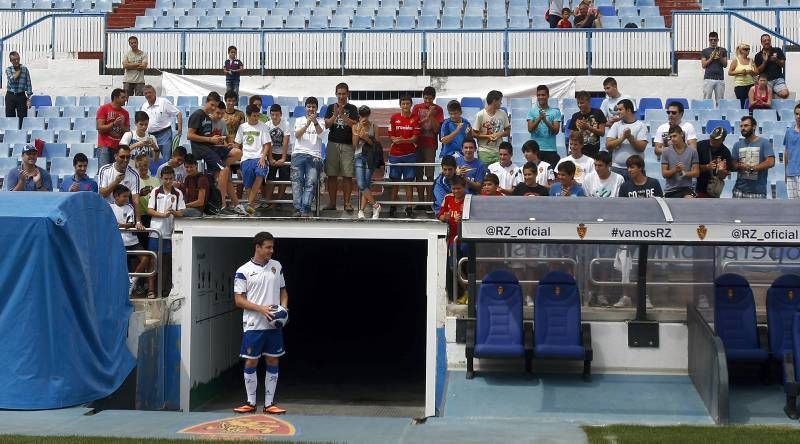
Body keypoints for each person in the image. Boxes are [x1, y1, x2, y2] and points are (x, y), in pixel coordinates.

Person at [233, 232, 289, 415]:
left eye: (272, 247)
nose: (271, 251)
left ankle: (269, 403)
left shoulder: (277, 266)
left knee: (273, 360)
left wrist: (284, 311)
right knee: (251, 362)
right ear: (257, 247)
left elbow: (283, 292)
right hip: (253, 325)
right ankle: (250, 402)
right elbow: (239, 300)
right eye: (268, 247)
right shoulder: (243, 271)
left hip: (273, 326)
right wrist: (261, 309)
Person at [187, 92, 241, 215]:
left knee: (232, 159)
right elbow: (189, 135)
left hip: (210, 147)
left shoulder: (207, 116)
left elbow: (207, 136)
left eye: (215, 106)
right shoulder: (198, 115)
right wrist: (210, 140)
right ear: (207, 102)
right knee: (224, 170)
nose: (212, 108)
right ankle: (221, 205)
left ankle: (232, 204)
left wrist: (219, 141)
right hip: (201, 149)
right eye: (212, 105)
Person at [146, 165, 184, 298]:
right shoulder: (155, 191)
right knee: (153, 261)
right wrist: (163, 215)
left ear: (174, 178)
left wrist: (174, 212)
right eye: (166, 179)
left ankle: (164, 289)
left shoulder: (178, 193)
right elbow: (149, 210)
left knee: (167, 263)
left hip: (169, 232)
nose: (168, 181)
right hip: (156, 232)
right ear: (161, 178)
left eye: (170, 179)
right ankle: (151, 290)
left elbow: (182, 212)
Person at [324, 82, 359, 212]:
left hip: (348, 145)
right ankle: (332, 203)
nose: (341, 96)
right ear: (335, 94)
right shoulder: (330, 107)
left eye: (344, 94)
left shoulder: (353, 108)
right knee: (331, 175)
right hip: (332, 144)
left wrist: (343, 115)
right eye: (339, 94)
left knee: (347, 176)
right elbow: (326, 125)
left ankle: (347, 203)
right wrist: (335, 114)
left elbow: (355, 125)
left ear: (348, 94)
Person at [110, 184, 150, 296]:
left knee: (146, 258)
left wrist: (120, 225)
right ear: (116, 196)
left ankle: (133, 280)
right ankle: (122, 288)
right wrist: (121, 225)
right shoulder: (109, 207)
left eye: (128, 196)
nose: (127, 199)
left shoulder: (130, 207)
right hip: (118, 242)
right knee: (120, 265)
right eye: (124, 196)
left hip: (132, 241)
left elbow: (130, 224)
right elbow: (110, 224)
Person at [98, 145, 145, 237]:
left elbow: (136, 200)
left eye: (128, 157)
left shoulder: (134, 174)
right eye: (122, 157)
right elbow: (102, 194)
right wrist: (116, 182)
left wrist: (138, 221)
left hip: (124, 215)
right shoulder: (105, 170)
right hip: (107, 214)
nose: (125, 159)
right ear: (115, 156)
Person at [411, 87, 444, 213]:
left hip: (430, 144)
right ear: (422, 97)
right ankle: (420, 202)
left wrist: (432, 116)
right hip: (417, 144)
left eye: (430, 99)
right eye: (425, 98)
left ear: (434, 98)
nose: (428, 101)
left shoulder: (438, 110)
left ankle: (429, 202)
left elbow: (436, 129)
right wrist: (426, 116)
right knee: (418, 173)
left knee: (429, 174)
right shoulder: (417, 108)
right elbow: (414, 125)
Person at [388, 94, 421, 218]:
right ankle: (393, 207)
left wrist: (403, 140)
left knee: (409, 182)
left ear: (411, 104)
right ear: (400, 105)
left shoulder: (415, 119)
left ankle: (409, 207)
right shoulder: (394, 118)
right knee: (394, 182)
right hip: (395, 155)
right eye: (403, 104)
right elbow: (390, 134)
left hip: (410, 155)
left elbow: (415, 138)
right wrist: (394, 139)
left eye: (407, 103)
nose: (405, 106)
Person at [291, 97, 325, 217]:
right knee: (297, 182)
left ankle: (305, 209)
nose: (311, 109)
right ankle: (297, 208)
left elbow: (321, 134)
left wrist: (314, 122)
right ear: (305, 108)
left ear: (317, 109)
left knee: (311, 183)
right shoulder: (299, 120)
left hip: (314, 155)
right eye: (309, 106)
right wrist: (307, 124)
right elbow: (297, 135)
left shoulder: (321, 121)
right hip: (298, 154)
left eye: (313, 107)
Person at [235, 104, 271, 215]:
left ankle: (249, 204)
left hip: (259, 157)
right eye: (254, 116)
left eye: (257, 115)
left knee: (260, 173)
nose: (256, 118)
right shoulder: (242, 127)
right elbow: (237, 143)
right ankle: (251, 208)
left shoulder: (263, 126)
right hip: (246, 158)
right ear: (248, 116)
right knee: (248, 182)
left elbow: (267, 144)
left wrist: (263, 157)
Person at [438, 175, 467, 303]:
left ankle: (470, 293)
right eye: (454, 188)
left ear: (464, 188)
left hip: (466, 240)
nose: (456, 191)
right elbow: (439, 215)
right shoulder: (447, 198)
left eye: (459, 188)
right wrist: (445, 217)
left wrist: (464, 219)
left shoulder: (469, 200)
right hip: (452, 241)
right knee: (453, 267)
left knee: (467, 266)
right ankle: (467, 292)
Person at [731, 116, 775, 199]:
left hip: (758, 192)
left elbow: (771, 162)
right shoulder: (737, 145)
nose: (743, 128)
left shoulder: (764, 143)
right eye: (741, 126)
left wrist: (753, 168)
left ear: (754, 126)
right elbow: (733, 164)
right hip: (739, 191)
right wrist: (739, 166)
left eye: (746, 125)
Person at [352, 105, 382, 220]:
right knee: (361, 184)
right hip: (359, 156)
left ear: (369, 115)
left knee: (366, 184)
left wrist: (366, 138)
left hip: (371, 157)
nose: (364, 117)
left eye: (366, 115)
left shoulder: (374, 127)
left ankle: (361, 211)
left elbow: (377, 145)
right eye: (362, 115)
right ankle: (376, 205)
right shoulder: (355, 126)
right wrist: (359, 131)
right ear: (359, 116)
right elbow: (354, 145)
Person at [605, 99, 648, 178]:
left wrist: (630, 138)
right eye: (617, 110)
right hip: (617, 169)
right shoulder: (616, 125)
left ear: (628, 110)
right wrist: (623, 138)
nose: (618, 112)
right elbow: (608, 145)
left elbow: (641, 148)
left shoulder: (641, 125)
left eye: (620, 109)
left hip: (636, 170)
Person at [140, 85, 182, 159]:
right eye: (145, 93)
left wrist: (179, 129)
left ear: (154, 93)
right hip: (150, 136)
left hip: (165, 134)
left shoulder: (164, 102)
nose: (148, 95)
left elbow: (178, 113)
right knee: (152, 159)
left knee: (166, 158)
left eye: (150, 92)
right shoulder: (144, 106)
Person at [263, 104, 291, 209]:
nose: (275, 117)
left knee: (284, 177)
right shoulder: (267, 125)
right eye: (272, 115)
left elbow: (285, 142)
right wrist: (270, 158)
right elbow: (268, 143)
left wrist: (283, 158)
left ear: (281, 114)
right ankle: (268, 200)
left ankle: (278, 201)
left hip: (285, 152)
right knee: (270, 176)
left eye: (277, 115)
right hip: (272, 152)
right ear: (270, 115)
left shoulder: (286, 124)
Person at [526, 84, 562, 166]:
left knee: (550, 177)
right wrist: (539, 118)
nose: (541, 97)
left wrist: (545, 120)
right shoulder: (532, 111)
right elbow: (530, 129)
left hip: (551, 150)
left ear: (548, 96)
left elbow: (556, 131)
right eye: (538, 95)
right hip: (535, 150)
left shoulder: (555, 112)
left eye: (543, 95)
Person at [661, 125, 699, 198]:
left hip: (686, 188)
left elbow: (696, 173)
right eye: (670, 137)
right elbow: (664, 174)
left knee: (689, 199)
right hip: (671, 190)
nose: (672, 139)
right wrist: (675, 170)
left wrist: (685, 173)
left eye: (674, 136)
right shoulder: (666, 151)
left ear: (681, 134)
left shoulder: (692, 151)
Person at [474, 90, 510, 165]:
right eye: (500, 101)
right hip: (484, 151)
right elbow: (474, 134)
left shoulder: (503, 113)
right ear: (494, 101)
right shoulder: (480, 115)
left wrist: (500, 134)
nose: (501, 103)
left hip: (499, 151)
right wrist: (488, 136)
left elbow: (507, 131)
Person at [96, 88, 130, 167]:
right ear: (115, 98)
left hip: (119, 147)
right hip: (105, 146)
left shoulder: (125, 113)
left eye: (125, 97)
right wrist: (114, 124)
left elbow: (128, 132)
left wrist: (121, 126)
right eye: (123, 97)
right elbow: (100, 128)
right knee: (104, 171)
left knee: (117, 172)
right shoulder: (104, 109)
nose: (125, 99)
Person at [696, 127, 732, 198]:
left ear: (723, 140)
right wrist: (706, 167)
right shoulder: (700, 145)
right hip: (698, 189)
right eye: (712, 137)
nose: (712, 140)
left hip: (714, 191)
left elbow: (724, 176)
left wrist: (721, 171)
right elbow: (692, 167)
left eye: (716, 139)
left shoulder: (726, 152)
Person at [568, 90, 606, 158]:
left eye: (582, 103)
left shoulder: (598, 113)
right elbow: (572, 136)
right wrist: (581, 130)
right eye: (578, 103)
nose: (579, 105)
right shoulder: (575, 116)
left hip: (594, 152)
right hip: (579, 152)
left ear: (588, 101)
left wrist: (588, 127)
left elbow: (602, 132)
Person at [754, 34, 789, 99]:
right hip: (765, 81)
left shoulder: (777, 50)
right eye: (764, 41)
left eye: (768, 40)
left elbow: (783, 65)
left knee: (785, 94)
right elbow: (758, 72)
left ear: (770, 41)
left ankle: (771, 90)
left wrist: (776, 60)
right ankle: (770, 90)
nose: (767, 42)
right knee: (765, 96)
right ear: (761, 42)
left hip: (778, 79)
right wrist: (764, 62)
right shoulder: (758, 55)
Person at [4, 51, 32, 129]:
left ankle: (21, 135)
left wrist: (28, 99)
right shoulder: (8, 69)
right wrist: (19, 70)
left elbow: (28, 84)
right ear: (11, 61)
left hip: (21, 96)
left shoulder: (25, 69)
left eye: (18, 59)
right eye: (14, 60)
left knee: (22, 119)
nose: (16, 61)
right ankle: (12, 136)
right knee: (10, 118)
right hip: (10, 96)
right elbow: (12, 80)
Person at [701, 32, 728, 104]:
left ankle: (719, 115)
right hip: (708, 78)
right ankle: (706, 115)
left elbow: (725, 65)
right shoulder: (705, 51)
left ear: (718, 40)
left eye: (715, 40)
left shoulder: (723, 50)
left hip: (720, 79)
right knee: (706, 100)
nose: (713, 41)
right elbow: (703, 65)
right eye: (711, 40)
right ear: (709, 40)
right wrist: (711, 58)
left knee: (720, 101)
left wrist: (720, 57)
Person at [728, 42, 757, 109]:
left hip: (751, 84)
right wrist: (740, 72)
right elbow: (730, 72)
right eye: (745, 49)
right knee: (742, 103)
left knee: (751, 103)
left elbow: (756, 72)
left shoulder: (751, 60)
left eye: (748, 49)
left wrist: (750, 72)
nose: (747, 51)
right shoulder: (736, 60)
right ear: (741, 50)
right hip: (740, 85)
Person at [785, 104, 800, 199]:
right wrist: (785, 173)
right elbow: (787, 152)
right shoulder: (789, 131)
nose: (798, 116)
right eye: (796, 114)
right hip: (791, 173)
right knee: (792, 206)